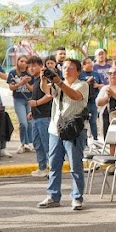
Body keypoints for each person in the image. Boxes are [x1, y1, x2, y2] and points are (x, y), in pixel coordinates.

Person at [37, 58, 87, 211]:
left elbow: (75, 96)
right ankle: (53, 196)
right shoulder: (58, 84)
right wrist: (43, 79)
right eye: (64, 67)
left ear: (78, 71)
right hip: (55, 130)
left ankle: (77, 197)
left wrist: (59, 82)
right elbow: (47, 91)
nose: (66, 70)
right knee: (54, 165)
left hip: (73, 130)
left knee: (75, 165)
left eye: (70, 67)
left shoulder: (82, 85)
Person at [25, 56, 52, 176]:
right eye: (29, 66)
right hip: (36, 116)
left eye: (34, 66)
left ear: (41, 66)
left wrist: (36, 103)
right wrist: (32, 110)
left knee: (46, 143)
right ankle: (42, 167)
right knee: (37, 143)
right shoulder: (35, 81)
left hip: (44, 116)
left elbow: (49, 96)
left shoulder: (44, 80)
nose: (31, 68)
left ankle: (52, 168)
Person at [6, 55, 35, 153]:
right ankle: (23, 142)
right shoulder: (13, 73)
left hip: (29, 99)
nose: (23, 63)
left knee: (30, 122)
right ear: (17, 62)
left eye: (25, 61)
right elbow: (11, 87)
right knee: (23, 123)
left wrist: (26, 83)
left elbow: (33, 89)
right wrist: (21, 82)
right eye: (21, 61)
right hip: (18, 99)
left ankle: (30, 143)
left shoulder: (30, 73)